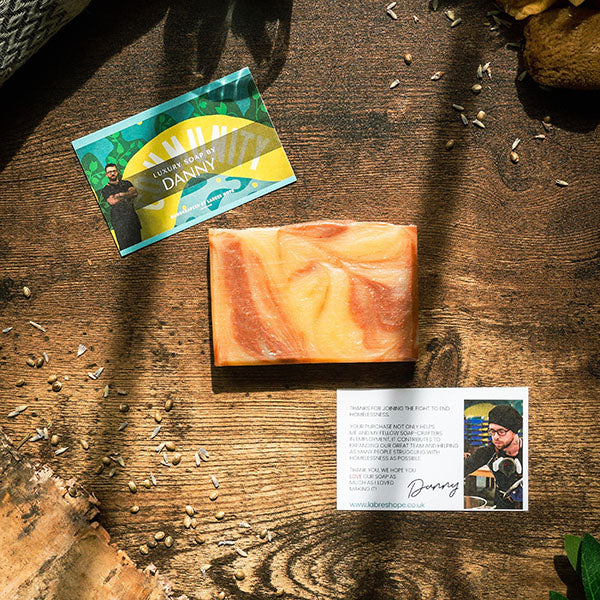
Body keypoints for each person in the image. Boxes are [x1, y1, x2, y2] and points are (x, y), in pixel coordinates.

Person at [464, 404, 524, 509]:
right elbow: (461, 468)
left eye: (501, 432)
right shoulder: (488, 452)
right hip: (501, 507)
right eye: (492, 431)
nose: (495, 437)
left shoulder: (529, 450)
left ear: (514, 431)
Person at [101, 164, 141, 250]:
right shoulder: (105, 190)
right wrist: (126, 195)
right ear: (106, 174)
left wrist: (119, 195)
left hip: (132, 218)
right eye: (110, 172)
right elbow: (112, 201)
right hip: (119, 221)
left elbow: (134, 193)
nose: (112, 173)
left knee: (139, 244)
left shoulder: (126, 183)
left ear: (117, 172)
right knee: (125, 247)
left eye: (114, 171)